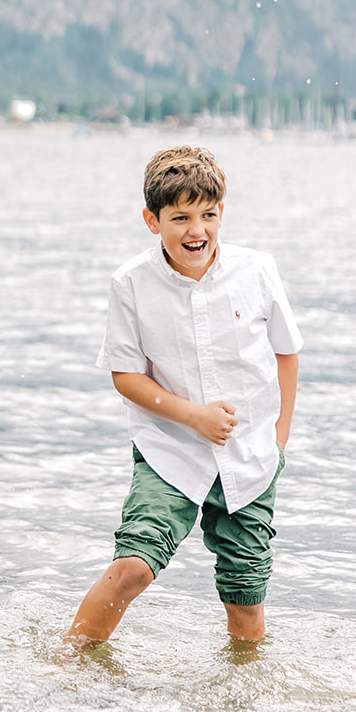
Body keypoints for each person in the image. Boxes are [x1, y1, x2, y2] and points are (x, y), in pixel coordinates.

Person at [66, 144, 301, 647]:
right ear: (152, 221)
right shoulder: (130, 283)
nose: (197, 230)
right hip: (168, 449)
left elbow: (286, 353)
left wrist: (277, 443)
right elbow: (126, 376)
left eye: (208, 215)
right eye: (181, 217)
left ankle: (244, 704)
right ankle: (65, 665)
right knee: (134, 565)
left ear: (222, 213)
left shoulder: (257, 270)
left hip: (251, 457)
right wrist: (193, 416)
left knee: (246, 597)